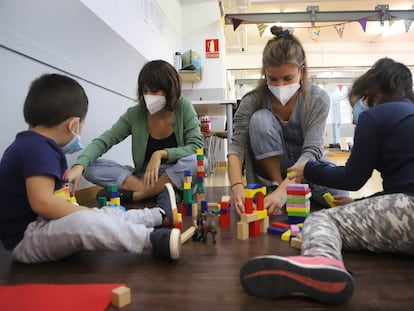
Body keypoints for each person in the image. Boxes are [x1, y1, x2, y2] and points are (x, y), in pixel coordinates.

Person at [239, 58, 414, 304]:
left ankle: (319, 261)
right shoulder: (406, 115)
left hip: (408, 211)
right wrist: (361, 204)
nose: (355, 117)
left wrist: (308, 169)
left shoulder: (375, 117)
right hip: (405, 206)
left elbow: (352, 178)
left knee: (320, 219)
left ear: (371, 94)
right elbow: (401, 189)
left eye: (356, 106)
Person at [0, 73, 182, 263]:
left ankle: (159, 215)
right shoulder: (36, 149)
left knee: (105, 214)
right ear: (74, 124)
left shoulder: (36, 145)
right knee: (87, 220)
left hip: (43, 225)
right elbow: (42, 203)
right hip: (28, 238)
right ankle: (149, 239)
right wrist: (84, 213)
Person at [227, 26, 347, 216]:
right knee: (260, 120)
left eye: (287, 78)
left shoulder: (317, 98)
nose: (280, 85)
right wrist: (236, 186)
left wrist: (286, 190)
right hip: (268, 178)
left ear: (302, 71)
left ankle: (282, 192)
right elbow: (236, 149)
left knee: (340, 194)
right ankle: (275, 188)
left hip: (307, 170)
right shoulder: (252, 101)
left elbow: (312, 150)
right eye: (272, 78)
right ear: (264, 73)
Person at [70, 60, 205, 204]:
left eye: (154, 91)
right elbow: (105, 140)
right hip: (143, 177)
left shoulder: (184, 107)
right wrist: (79, 165)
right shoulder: (135, 114)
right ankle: (160, 191)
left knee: (199, 162)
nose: (148, 96)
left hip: (177, 172)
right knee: (90, 167)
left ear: (169, 90)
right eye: (145, 91)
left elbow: (197, 147)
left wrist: (160, 154)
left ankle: (141, 195)